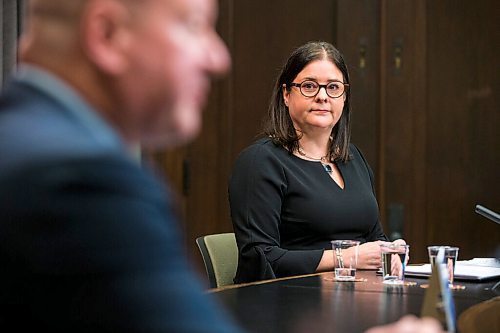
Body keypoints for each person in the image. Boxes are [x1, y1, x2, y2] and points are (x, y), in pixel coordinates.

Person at [0, 0, 240, 331]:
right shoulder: (81, 185)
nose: (218, 59)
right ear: (107, 34)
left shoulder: (17, 139)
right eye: (194, 26)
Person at [229, 41, 407, 283]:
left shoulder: (354, 158)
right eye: (309, 86)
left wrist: (390, 253)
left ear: (344, 98)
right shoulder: (260, 161)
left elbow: (375, 236)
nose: (322, 96)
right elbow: (260, 257)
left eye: (333, 87)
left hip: (359, 297)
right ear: (286, 94)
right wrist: (345, 258)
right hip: (287, 303)